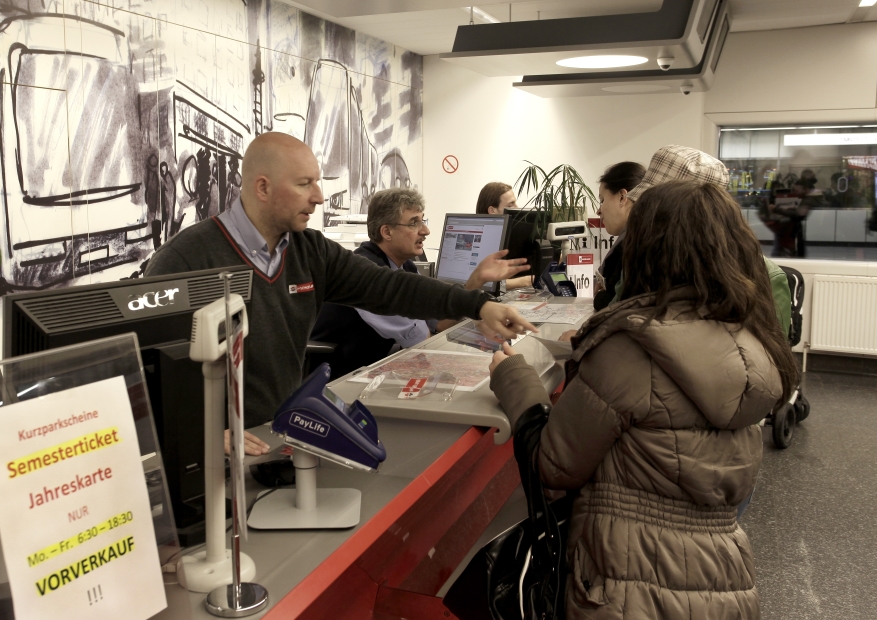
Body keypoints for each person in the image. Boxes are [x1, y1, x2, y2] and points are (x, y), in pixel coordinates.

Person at [488, 180, 799, 619]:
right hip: (723, 579)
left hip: (625, 584)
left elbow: (555, 466)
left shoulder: (631, 349)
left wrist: (514, 377)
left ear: (650, 247)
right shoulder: (754, 341)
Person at [145, 133, 536, 453]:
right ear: (262, 188)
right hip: (218, 450)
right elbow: (146, 368)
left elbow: (389, 287)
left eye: (317, 181)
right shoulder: (184, 259)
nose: (318, 195)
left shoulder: (309, 250)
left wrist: (478, 303)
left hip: (280, 433)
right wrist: (200, 435)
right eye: (304, 184)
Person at [311, 187, 529, 379]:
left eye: (422, 221)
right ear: (386, 232)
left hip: (371, 369)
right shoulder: (370, 275)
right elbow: (424, 341)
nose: (425, 231)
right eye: (414, 223)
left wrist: (476, 280)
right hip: (341, 379)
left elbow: (440, 324)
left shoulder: (405, 266)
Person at [592, 162, 646, 311]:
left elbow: (617, 304)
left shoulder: (636, 244)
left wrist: (602, 298)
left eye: (602, 200)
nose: (598, 210)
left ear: (622, 197)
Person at [476, 182, 533, 289]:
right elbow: (483, 282)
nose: (517, 208)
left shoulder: (515, 234)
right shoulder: (481, 239)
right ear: (492, 210)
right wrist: (524, 281)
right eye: (510, 205)